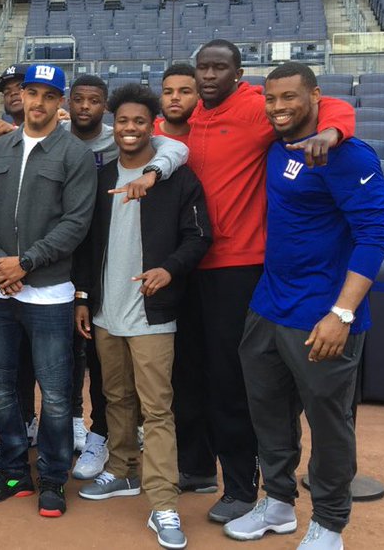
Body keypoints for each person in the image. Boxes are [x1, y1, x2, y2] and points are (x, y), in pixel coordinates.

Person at [154, 40, 355, 524]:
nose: (207, 76)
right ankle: (197, 467)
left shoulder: (255, 108)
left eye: (218, 68)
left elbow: (333, 105)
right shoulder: (183, 118)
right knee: (187, 374)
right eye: (202, 67)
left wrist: (329, 132)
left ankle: (242, 487)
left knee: (230, 382)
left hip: (237, 267)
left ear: (238, 74)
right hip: (184, 265)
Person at [224, 63, 384, 550]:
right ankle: (277, 503)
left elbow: (376, 234)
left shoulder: (347, 155)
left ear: (315, 96)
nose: (278, 107)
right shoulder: (277, 148)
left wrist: (341, 313)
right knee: (269, 413)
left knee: (328, 421)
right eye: (271, 99)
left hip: (323, 316)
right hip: (269, 306)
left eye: (289, 98)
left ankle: (330, 523)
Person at [73, 84, 212, 550]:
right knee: (115, 399)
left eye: (139, 122)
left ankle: (163, 503)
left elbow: (198, 238)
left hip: (153, 315)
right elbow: (88, 246)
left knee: (157, 410)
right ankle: (121, 469)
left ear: (152, 125)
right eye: (124, 123)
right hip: (106, 313)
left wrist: (167, 270)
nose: (130, 130)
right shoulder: (100, 177)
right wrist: (83, 298)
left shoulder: (176, 177)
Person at [0, 64, 96, 518]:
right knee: (1, 389)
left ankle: (55, 478)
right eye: (30, 92)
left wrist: (24, 262)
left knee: (57, 394)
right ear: (20, 96)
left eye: (47, 95)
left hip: (49, 294)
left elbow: (76, 223)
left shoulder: (75, 155)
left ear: (59, 101)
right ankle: (13, 469)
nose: (37, 102)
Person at [155, 63, 218, 495]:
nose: (176, 97)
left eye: (185, 90)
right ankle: (168, 455)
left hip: (210, 266)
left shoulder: (213, 126)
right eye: (168, 90)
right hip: (155, 269)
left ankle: (201, 464)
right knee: (171, 373)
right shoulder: (147, 128)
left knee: (205, 371)